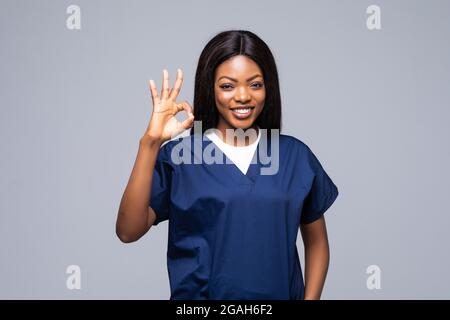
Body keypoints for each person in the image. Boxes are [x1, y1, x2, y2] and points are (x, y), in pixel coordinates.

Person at [116, 30, 339, 300]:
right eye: (228, 85)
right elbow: (128, 231)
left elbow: (317, 244)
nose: (243, 96)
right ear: (210, 88)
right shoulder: (181, 157)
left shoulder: (295, 156)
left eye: (255, 84)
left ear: (269, 87)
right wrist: (150, 142)